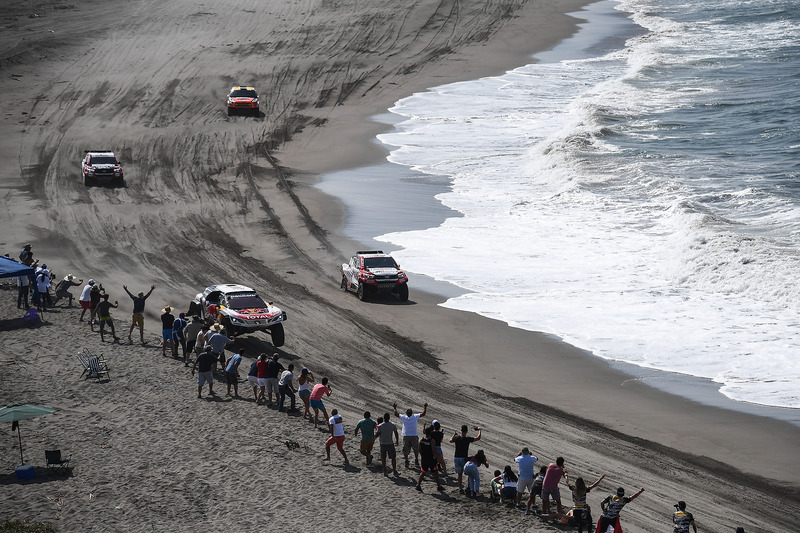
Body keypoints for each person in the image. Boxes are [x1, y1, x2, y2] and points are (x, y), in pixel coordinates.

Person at [392, 401, 427, 468]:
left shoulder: (404, 417)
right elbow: (423, 414)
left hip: (406, 436)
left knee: (406, 449)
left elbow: (396, 414)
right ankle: (416, 460)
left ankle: (407, 461)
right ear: (411, 413)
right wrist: (425, 407)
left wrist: (394, 408)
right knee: (415, 449)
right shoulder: (415, 416)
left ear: (406, 413)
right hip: (414, 435)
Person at [451, 425, 481, 494]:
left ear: (461, 430)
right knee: (469, 474)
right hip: (464, 458)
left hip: (456, 458)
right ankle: (468, 487)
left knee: (459, 474)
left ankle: (460, 488)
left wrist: (453, 435)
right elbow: (478, 438)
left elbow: (450, 440)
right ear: (466, 431)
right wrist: (479, 430)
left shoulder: (456, 438)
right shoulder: (467, 439)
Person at [415, 426, 444, 492]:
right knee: (435, 472)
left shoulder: (422, 440)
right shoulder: (432, 441)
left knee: (423, 472)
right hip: (431, 459)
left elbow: (419, 449)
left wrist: (423, 455)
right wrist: (437, 458)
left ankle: (418, 485)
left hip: (424, 459)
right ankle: (439, 486)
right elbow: (433, 451)